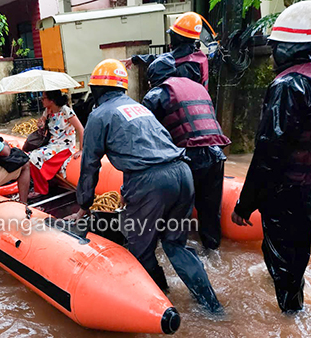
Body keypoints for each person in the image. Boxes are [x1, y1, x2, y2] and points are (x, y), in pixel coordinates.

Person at [67, 59, 222, 313]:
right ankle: (212, 307)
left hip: (150, 181)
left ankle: (162, 301)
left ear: (97, 90)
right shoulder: (139, 107)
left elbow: (90, 165)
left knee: (139, 249)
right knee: (175, 245)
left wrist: (83, 205)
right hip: (183, 173)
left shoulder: (99, 115)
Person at [231, 1, 311, 313]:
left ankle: (291, 315)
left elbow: (267, 153)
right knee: (297, 246)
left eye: (277, 47)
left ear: (290, 48)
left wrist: (245, 204)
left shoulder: (290, 85)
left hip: (289, 190)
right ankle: (291, 287)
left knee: (283, 258)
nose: (274, 53)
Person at [142, 54, 231, 250]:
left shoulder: (155, 95)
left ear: (153, 79)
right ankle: (212, 250)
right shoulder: (198, 87)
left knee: (178, 210)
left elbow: (148, 138)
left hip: (189, 158)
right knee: (210, 210)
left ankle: (176, 250)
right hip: (216, 154)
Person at [125, 12, 209, 89]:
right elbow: (161, 58)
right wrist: (135, 58)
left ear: (178, 38)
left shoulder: (188, 67)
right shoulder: (194, 55)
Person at [28, 90, 84, 195]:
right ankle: (42, 185)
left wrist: (81, 149)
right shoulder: (47, 111)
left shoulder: (66, 111)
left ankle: (40, 190)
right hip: (52, 144)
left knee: (34, 157)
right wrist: (41, 123)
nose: (41, 100)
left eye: (43, 98)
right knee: (30, 155)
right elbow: (42, 124)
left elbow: (80, 129)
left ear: (51, 100)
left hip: (64, 147)